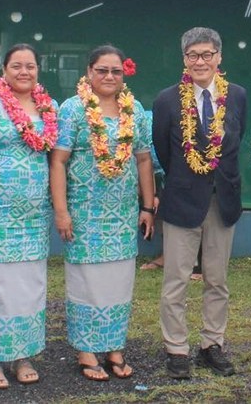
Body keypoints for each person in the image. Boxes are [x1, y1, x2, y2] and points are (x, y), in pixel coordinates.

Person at [51, 45, 156, 381]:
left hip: (122, 215)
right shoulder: (73, 109)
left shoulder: (134, 110)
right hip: (83, 214)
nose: (109, 77)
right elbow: (59, 161)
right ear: (89, 72)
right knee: (86, 282)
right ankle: (85, 351)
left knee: (118, 282)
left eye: (116, 72)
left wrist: (148, 206)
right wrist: (62, 211)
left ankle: (114, 347)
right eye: (102, 70)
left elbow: (143, 159)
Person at [152, 27, 248, 379]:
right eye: (193, 55)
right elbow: (163, 149)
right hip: (181, 201)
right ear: (184, 60)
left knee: (217, 279)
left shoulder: (236, 96)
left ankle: (212, 344)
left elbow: (237, 141)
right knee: (175, 280)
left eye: (207, 54)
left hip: (222, 200)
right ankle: (176, 348)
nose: (200, 61)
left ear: (219, 58)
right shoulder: (166, 100)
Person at [0, 44, 56, 389]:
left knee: (30, 285)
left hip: (34, 213)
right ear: (3, 70)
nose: (24, 72)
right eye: (16, 65)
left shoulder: (49, 106)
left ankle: (23, 353)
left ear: (38, 71)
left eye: (30, 66)